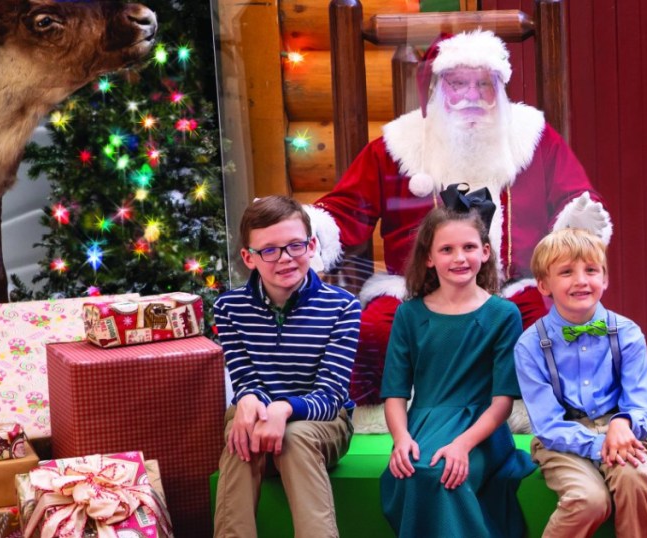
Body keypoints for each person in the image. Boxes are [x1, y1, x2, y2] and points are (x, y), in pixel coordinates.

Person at [304, 29, 612, 405]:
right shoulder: (398, 145)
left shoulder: (532, 138)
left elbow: (575, 196)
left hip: (510, 286)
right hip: (414, 291)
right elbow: (346, 208)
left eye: (484, 83)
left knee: (544, 329)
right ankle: (387, 420)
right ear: (437, 86)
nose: (471, 95)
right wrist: (311, 231)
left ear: (500, 86)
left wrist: (576, 219)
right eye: (458, 83)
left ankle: (534, 419)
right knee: (374, 332)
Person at [379, 202, 535, 537]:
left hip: (481, 432)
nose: (459, 258)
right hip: (423, 425)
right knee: (414, 472)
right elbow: (394, 393)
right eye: (446, 249)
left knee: (442, 474)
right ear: (429, 258)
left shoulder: (504, 315)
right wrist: (401, 438)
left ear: (485, 251)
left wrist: (464, 445)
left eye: (468, 247)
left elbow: (502, 402)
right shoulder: (409, 315)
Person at [212, 196, 361, 538]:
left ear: (311, 246)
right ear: (249, 257)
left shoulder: (342, 307)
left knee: (294, 437)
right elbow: (245, 377)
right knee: (241, 431)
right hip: (259, 416)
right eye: (269, 250)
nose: (284, 259)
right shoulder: (229, 308)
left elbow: (331, 396)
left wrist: (282, 409)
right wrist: (249, 399)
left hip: (321, 423)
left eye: (294, 246)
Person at [514, 228, 647, 538]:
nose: (581, 280)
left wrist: (623, 425)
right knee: (589, 500)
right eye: (566, 272)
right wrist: (600, 444)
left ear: (605, 279)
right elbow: (547, 424)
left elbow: (643, 408)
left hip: (621, 435)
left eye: (591, 270)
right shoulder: (530, 345)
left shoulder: (628, 334)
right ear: (544, 284)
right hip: (561, 441)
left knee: (639, 482)